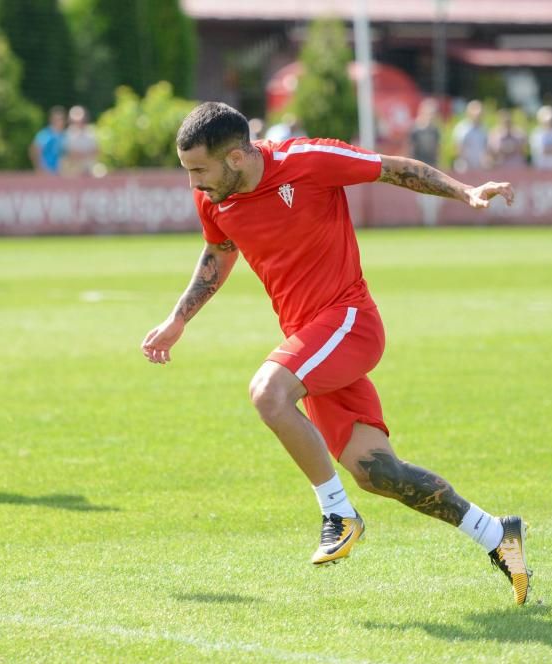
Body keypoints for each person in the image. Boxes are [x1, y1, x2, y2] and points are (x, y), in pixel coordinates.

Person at [141, 102, 531, 605]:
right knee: (377, 473)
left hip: (349, 321)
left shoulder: (308, 160)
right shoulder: (213, 198)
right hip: (313, 343)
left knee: (267, 392)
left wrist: (466, 191)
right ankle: (498, 535)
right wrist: (178, 319)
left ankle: (337, 514)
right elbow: (219, 251)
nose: (193, 182)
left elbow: (393, 169)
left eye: (199, 170)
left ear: (237, 157)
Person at [61, 105, 99, 177]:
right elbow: (68, 153)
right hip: (73, 168)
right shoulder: (68, 134)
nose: (79, 122)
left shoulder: (91, 131)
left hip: (90, 167)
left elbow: (96, 150)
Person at [452, 99, 488, 172]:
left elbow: (485, 147)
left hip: (479, 167)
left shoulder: (484, 129)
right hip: (464, 166)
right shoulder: (462, 128)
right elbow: (458, 148)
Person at [29, 105, 67, 174]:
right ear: (51, 120)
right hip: (47, 171)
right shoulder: (45, 134)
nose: (59, 122)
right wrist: (40, 167)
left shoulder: (65, 135)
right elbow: (34, 150)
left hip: (61, 172)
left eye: (61, 119)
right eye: (57, 119)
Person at [409, 98, 441, 167]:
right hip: (417, 163)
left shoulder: (435, 130)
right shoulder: (415, 129)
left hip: (431, 164)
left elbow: (437, 149)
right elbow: (410, 147)